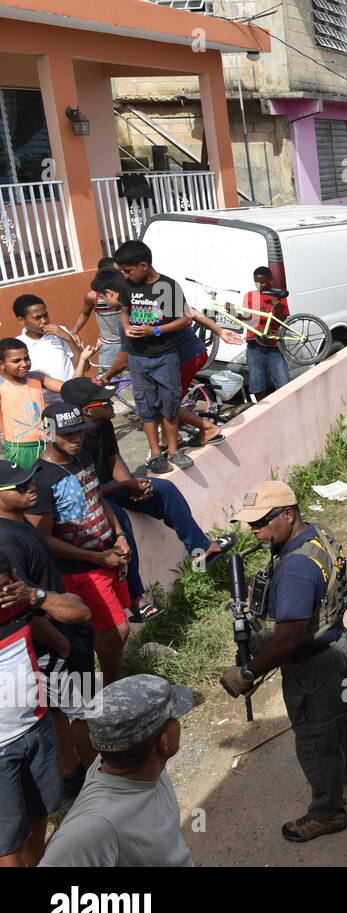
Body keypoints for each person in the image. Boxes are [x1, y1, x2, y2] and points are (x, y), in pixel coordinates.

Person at [220, 481, 347, 843]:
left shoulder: (296, 569)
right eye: (251, 524)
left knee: (315, 738)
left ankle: (328, 813)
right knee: (339, 715)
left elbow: (287, 637)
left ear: (288, 515)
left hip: (314, 664)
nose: (255, 531)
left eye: (262, 522)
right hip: (339, 645)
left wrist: (248, 673)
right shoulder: (314, 535)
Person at [60, 377, 234, 623]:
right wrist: (124, 486)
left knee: (165, 489)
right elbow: (87, 492)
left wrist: (132, 485)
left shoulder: (103, 424)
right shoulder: (73, 442)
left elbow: (114, 459)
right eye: (105, 401)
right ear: (88, 411)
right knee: (121, 523)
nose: (112, 404)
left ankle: (200, 549)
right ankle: (136, 600)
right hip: (89, 498)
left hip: (110, 486)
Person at [0, 460, 95, 805]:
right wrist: (64, 646)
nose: (31, 488)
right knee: (85, 711)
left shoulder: (20, 525)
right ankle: (95, 779)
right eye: (20, 486)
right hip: (51, 646)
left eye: (30, 481)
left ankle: (73, 776)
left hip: (61, 637)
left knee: (63, 711)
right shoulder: (6, 542)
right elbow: (21, 610)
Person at [39, 674, 194, 867]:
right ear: (164, 742)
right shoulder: (97, 826)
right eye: (174, 717)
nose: (178, 723)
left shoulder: (135, 764)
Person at [28, 404, 132, 686]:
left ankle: (107, 688)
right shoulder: (40, 479)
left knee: (116, 631)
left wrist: (120, 534)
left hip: (108, 557)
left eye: (79, 433)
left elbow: (98, 499)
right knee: (115, 631)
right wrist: (97, 559)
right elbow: (44, 540)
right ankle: (109, 693)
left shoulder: (83, 458)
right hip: (81, 570)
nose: (75, 439)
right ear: (49, 433)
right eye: (67, 434)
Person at [91, 270, 232, 449]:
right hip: (193, 352)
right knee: (162, 402)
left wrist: (106, 376)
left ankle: (207, 428)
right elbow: (192, 311)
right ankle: (169, 440)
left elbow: (125, 358)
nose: (105, 303)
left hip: (182, 357)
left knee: (161, 404)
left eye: (103, 297)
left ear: (110, 293)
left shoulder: (129, 315)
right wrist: (219, 331)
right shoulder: (146, 297)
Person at [0, 547, 72, 867]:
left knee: (40, 812)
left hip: (37, 727)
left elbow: (77, 611)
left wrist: (34, 596)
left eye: (3, 587)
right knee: (7, 842)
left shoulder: (18, 605)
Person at [111, 240, 194, 473]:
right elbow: (124, 313)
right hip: (137, 358)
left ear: (143, 265)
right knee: (145, 404)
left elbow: (185, 319)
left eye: (128, 270)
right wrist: (126, 327)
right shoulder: (128, 286)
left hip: (165, 356)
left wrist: (155, 330)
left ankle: (174, 450)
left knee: (169, 403)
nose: (125, 275)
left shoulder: (167, 286)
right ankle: (156, 454)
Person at [11, 296, 93, 405]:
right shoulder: (18, 346)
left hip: (76, 397)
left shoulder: (60, 332)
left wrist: (69, 339)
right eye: (37, 318)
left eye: (46, 315)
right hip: (49, 405)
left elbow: (85, 366)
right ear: (21, 320)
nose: (44, 321)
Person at [225, 266, 291, 401]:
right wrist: (231, 311)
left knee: (284, 381)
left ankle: (283, 405)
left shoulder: (279, 296)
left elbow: (282, 320)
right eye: (256, 282)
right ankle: (262, 409)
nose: (259, 285)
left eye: (263, 282)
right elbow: (246, 318)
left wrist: (276, 306)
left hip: (273, 345)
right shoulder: (249, 296)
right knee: (256, 383)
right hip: (254, 345)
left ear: (271, 280)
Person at [0, 338, 67, 469]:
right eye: (16, 361)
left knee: (51, 482)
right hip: (19, 449)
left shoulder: (36, 377)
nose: (24, 363)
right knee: (26, 487)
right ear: (2, 364)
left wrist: (82, 360)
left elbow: (67, 388)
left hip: (48, 441)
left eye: (26, 358)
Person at [73, 258, 125, 373]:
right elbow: (84, 313)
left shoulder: (128, 293)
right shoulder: (93, 296)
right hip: (108, 346)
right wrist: (74, 331)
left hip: (129, 343)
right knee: (107, 381)